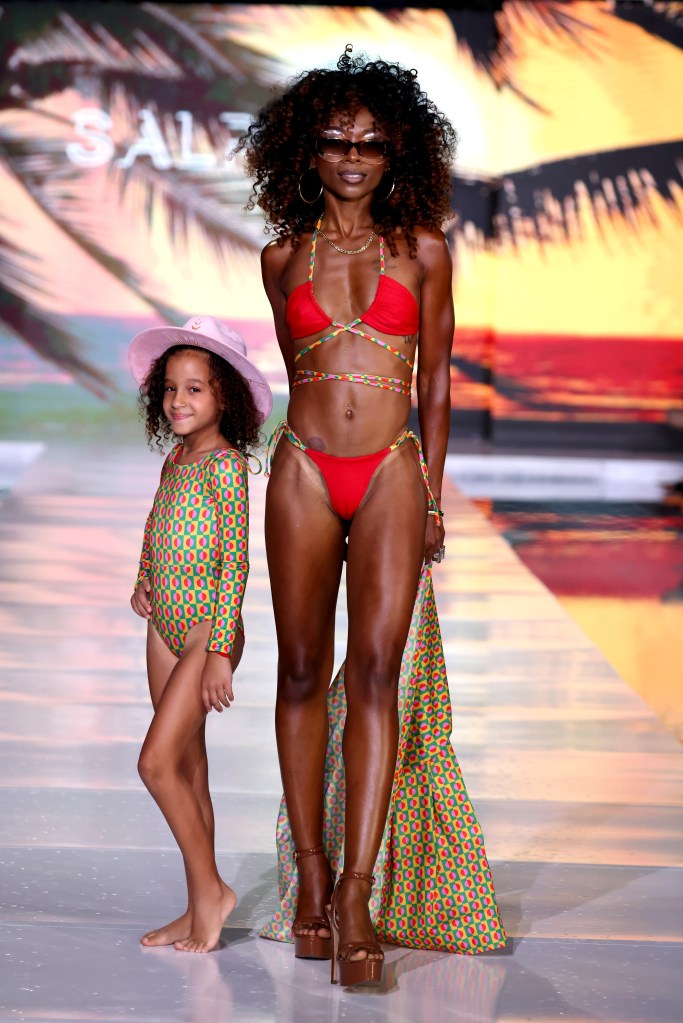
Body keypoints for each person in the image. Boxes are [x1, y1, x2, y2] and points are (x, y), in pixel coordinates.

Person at [238, 48, 506, 985]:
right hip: (304, 468)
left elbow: (433, 378)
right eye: (334, 140)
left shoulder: (424, 248)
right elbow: (295, 373)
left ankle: (358, 889)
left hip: (391, 468)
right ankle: (308, 878)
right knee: (304, 667)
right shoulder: (282, 257)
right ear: (302, 151)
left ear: (399, 151)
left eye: (371, 142)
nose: (352, 155)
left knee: (377, 672)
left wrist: (431, 490)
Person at [128, 316, 272, 953]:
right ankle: (197, 908)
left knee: (155, 763)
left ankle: (213, 891)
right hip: (165, 621)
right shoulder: (176, 460)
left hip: (207, 627)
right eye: (170, 390)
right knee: (187, 768)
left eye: (195, 390)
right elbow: (157, 525)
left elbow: (233, 561)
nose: (178, 401)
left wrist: (218, 651)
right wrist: (142, 577)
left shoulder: (225, 465)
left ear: (225, 400)